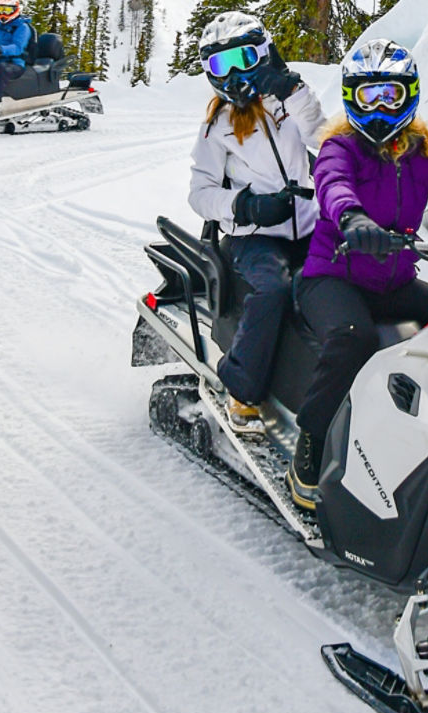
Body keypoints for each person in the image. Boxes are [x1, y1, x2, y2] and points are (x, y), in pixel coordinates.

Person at [287, 39, 428, 509]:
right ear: (352, 99)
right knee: (353, 338)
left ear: (408, 95)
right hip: (332, 278)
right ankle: (308, 447)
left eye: (389, 94)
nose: (380, 108)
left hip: (394, 284)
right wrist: (353, 218)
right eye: (369, 97)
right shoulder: (341, 146)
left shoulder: (424, 152)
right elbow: (332, 183)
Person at [187, 11, 326, 432]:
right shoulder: (219, 123)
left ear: (264, 53)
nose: (232, 75)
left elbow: (327, 142)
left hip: (309, 226)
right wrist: (245, 207)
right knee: (273, 289)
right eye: (219, 65)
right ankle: (241, 385)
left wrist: (295, 92)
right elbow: (199, 193)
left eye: (242, 58)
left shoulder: (291, 102)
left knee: (345, 286)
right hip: (253, 238)